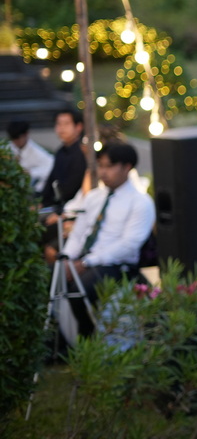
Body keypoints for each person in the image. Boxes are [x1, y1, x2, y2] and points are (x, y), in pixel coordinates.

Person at [57, 142, 154, 335]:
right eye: (100, 166)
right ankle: (56, 343)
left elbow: (129, 245)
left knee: (80, 290)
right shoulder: (94, 196)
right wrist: (67, 258)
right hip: (86, 258)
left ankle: (87, 341)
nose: (102, 172)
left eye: (108, 166)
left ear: (127, 167)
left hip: (116, 265)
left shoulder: (140, 202)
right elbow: (79, 234)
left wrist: (87, 261)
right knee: (47, 278)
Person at [41, 108, 88, 208]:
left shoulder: (83, 152)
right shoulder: (60, 152)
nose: (61, 128)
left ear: (78, 126)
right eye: (58, 124)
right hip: (56, 204)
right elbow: (51, 180)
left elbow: (73, 188)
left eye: (66, 124)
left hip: (73, 207)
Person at [6, 120, 54, 193]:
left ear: (26, 134)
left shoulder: (37, 152)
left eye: (18, 138)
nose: (15, 142)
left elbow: (52, 167)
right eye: (13, 139)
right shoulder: (7, 148)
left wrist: (31, 172)